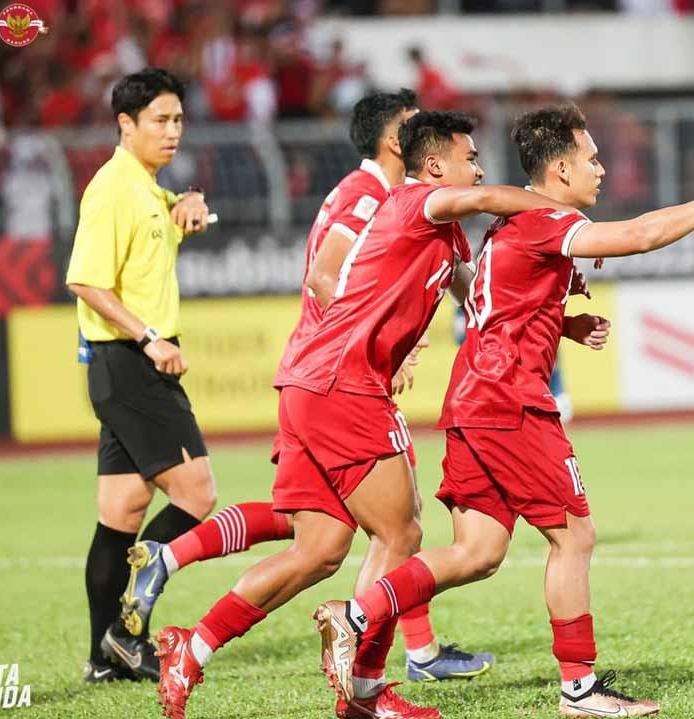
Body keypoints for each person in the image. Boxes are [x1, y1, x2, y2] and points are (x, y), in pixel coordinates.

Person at [315, 104, 694, 718]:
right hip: (509, 403)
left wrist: (561, 321)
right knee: (575, 535)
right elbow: (640, 236)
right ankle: (580, 689)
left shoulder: (508, 231)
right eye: (591, 158)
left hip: (471, 401)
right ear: (560, 168)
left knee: (478, 553)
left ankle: (354, 615)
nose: (601, 168)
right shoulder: (543, 219)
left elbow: (494, 309)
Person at [153, 110, 570, 719]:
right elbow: (481, 197)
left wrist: (560, 314)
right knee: (400, 532)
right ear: (435, 166)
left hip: (310, 381)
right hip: (343, 384)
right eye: (469, 155)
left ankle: (192, 647)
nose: (479, 165)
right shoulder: (412, 202)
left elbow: (484, 297)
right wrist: (555, 212)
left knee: (319, 548)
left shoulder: (444, 233)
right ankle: (367, 690)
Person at [63, 67, 216, 684]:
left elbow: (153, 241)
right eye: (160, 119)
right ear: (125, 126)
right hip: (132, 362)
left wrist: (189, 205)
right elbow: (84, 279)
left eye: (178, 119)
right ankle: (129, 635)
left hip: (122, 363)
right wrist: (150, 337)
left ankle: (104, 659)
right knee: (197, 496)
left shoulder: (147, 187)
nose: (173, 130)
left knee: (122, 511)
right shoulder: (114, 189)